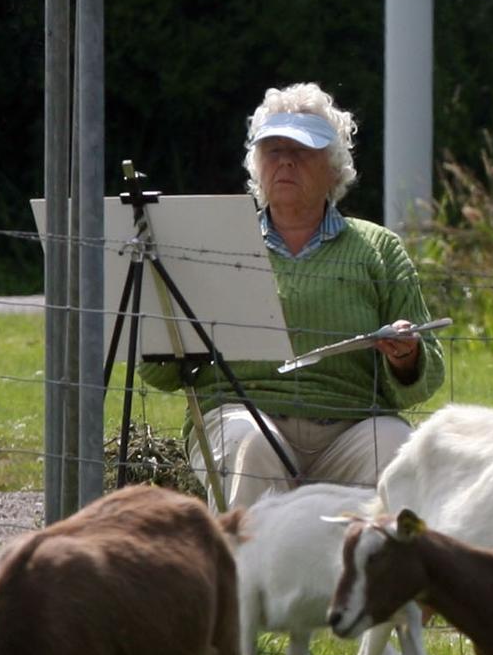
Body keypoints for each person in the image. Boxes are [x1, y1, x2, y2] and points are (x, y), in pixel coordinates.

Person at [140, 82, 445, 508]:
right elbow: (159, 376)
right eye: (272, 149)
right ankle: (247, 574)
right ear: (256, 164)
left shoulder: (379, 248)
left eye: (302, 150)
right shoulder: (215, 242)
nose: (285, 161)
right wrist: (161, 330)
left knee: (398, 450)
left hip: (353, 427)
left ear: (335, 168)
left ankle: (375, 574)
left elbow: (425, 381)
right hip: (242, 416)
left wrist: (406, 356)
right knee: (249, 447)